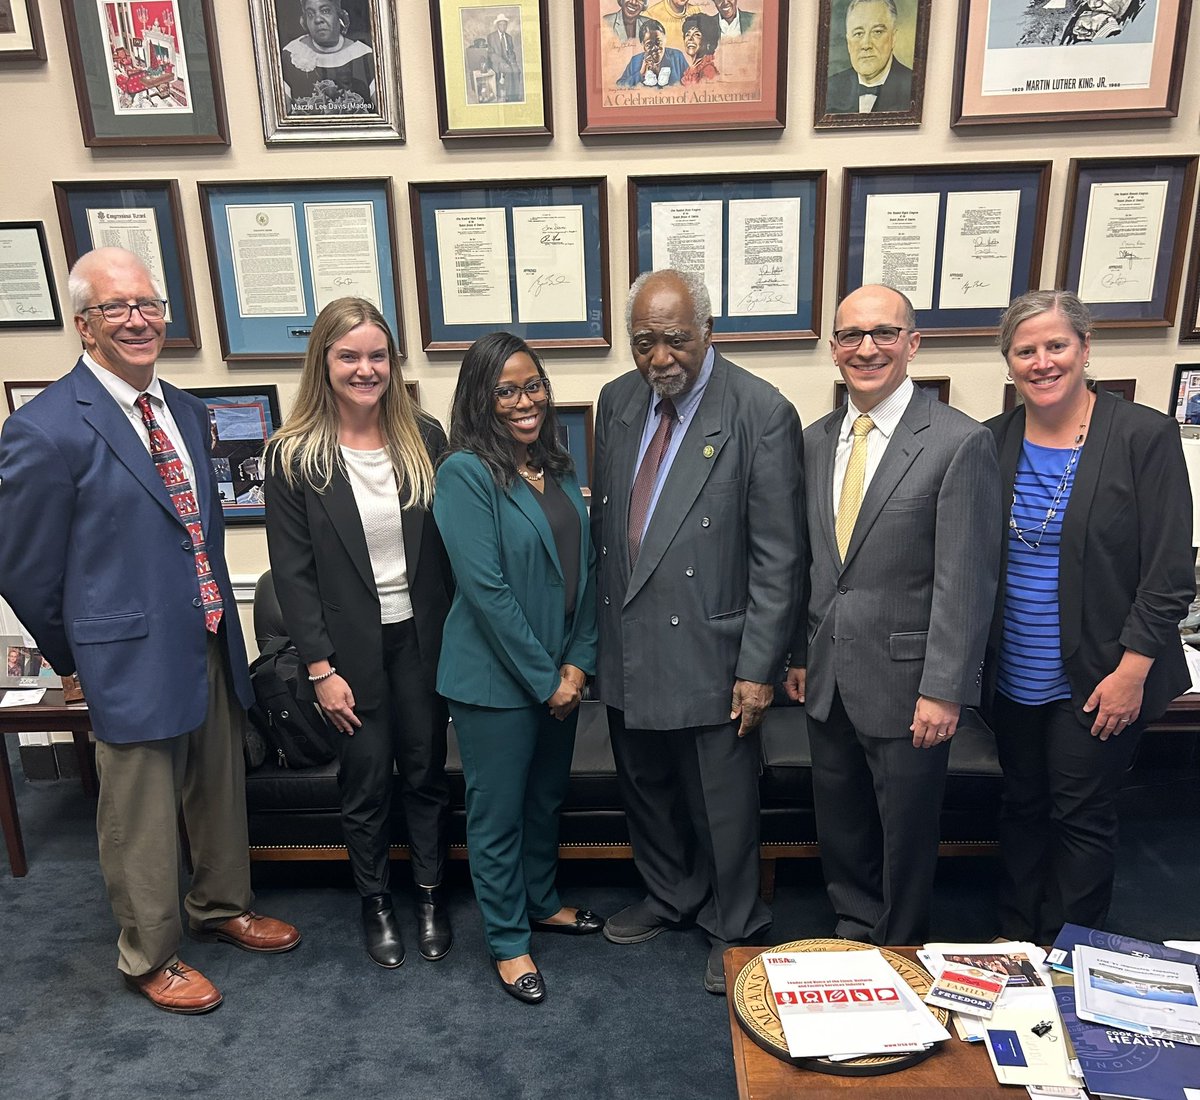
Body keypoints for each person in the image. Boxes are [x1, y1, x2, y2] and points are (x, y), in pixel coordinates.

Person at [0, 247, 300, 1014]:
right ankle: (148, 954)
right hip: (122, 653)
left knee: (217, 786)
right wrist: (77, 655)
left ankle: (222, 906)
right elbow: (24, 563)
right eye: (116, 307)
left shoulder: (189, 412)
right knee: (138, 816)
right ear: (83, 324)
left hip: (206, 633)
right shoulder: (45, 428)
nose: (138, 319)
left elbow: (190, 532)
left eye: (149, 305)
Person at [592, 270, 805, 995]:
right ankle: (671, 894)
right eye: (644, 342)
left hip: (716, 650)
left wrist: (760, 669)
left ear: (708, 330)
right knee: (645, 789)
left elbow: (779, 556)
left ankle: (735, 923)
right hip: (630, 640)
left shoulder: (759, 411)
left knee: (723, 803)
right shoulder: (617, 401)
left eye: (675, 339)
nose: (659, 358)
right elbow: (608, 536)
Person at [785, 284, 1000, 946]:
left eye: (883, 333)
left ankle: (901, 940)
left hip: (912, 684)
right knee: (842, 819)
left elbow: (965, 580)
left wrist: (945, 689)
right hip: (827, 675)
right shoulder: (816, 440)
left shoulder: (959, 443)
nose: (866, 348)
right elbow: (811, 565)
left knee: (906, 829)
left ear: (913, 344)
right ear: (834, 350)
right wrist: (798, 653)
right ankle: (853, 922)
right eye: (851, 335)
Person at [984, 290, 1193, 942]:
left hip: (1102, 674)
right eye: (1026, 351)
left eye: (1056, 346)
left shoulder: (1142, 436)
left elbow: (1169, 572)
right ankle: (1018, 941)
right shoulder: (994, 441)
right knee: (1022, 807)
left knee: (1080, 815)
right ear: (1010, 362)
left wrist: (1134, 670)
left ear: (1084, 349)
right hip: (1012, 671)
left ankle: (1071, 953)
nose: (1042, 362)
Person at [264, 298, 454, 969]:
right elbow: (293, 576)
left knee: (426, 774)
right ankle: (376, 901)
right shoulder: (292, 456)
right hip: (349, 655)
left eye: (377, 355)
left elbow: (451, 553)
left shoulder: (425, 438)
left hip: (423, 645)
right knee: (367, 781)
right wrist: (320, 669)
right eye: (349, 356)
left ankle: (430, 894)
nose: (365, 369)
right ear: (324, 361)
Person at [433, 332, 601, 1005]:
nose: (525, 400)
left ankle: (540, 902)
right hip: (495, 684)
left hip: (561, 676)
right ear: (482, 397)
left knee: (545, 800)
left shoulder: (557, 465)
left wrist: (579, 664)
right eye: (507, 389)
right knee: (497, 815)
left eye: (533, 385)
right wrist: (547, 679)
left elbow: (586, 573)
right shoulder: (463, 473)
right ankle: (507, 941)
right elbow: (487, 592)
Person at [280, 0, 376, 113]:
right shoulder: (291, 53)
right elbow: (281, 115)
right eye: (310, 14)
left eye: (325, 11)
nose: (317, 20)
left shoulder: (364, 55)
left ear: (339, 15)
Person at [826, 0, 914, 115]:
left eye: (877, 32)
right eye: (858, 34)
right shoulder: (831, 88)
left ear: (893, 38)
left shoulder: (914, 88)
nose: (866, 45)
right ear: (848, 42)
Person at [616, 18, 688, 88]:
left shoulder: (677, 57)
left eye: (658, 42)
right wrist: (640, 74)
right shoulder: (635, 61)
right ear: (642, 44)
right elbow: (619, 86)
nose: (655, 48)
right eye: (649, 45)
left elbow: (691, 83)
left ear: (665, 39)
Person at [486, 13, 523, 102]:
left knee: (517, 70)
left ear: (506, 26)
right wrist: (502, 62)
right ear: (497, 25)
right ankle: (509, 97)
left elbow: (511, 51)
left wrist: (512, 60)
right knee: (509, 71)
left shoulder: (509, 37)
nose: (503, 26)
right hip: (498, 61)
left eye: (504, 24)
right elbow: (491, 53)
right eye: (501, 24)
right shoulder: (491, 37)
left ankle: (516, 95)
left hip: (509, 60)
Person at [680, 13, 720, 84]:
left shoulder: (708, 69)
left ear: (708, 41)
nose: (690, 39)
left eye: (697, 34)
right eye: (687, 34)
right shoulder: (692, 69)